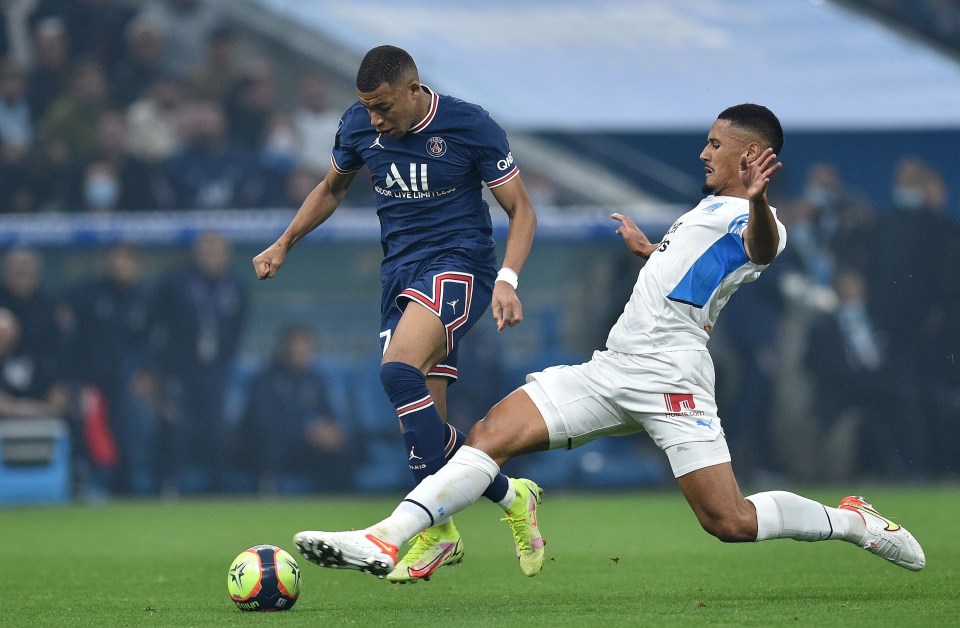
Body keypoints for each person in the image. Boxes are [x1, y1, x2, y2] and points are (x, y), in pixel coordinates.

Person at [291, 104, 925, 580]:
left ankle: (850, 521)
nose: (704, 153)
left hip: (672, 378)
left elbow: (758, 250)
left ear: (751, 156)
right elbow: (691, 274)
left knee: (729, 522)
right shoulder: (701, 211)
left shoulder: (760, 222)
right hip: (612, 368)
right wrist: (651, 251)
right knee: (490, 433)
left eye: (716, 144)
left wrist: (760, 205)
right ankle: (386, 537)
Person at [252, 45, 539, 583]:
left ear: (414, 89)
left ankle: (429, 530)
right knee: (426, 428)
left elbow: (521, 208)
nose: (376, 119)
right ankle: (507, 496)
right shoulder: (359, 126)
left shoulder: (469, 125)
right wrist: (284, 242)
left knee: (395, 371)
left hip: (460, 267)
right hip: (400, 278)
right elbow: (331, 188)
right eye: (367, 107)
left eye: (383, 106)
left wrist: (508, 279)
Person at [234, 325, 354, 494]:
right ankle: (267, 493)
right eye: (295, 348)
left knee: (342, 450)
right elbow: (260, 422)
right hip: (279, 445)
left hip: (308, 447)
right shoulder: (264, 380)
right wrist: (306, 432)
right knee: (271, 448)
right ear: (283, 349)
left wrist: (330, 432)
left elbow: (328, 415)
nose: (299, 354)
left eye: (304, 349)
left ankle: (332, 504)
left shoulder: (315, 380)